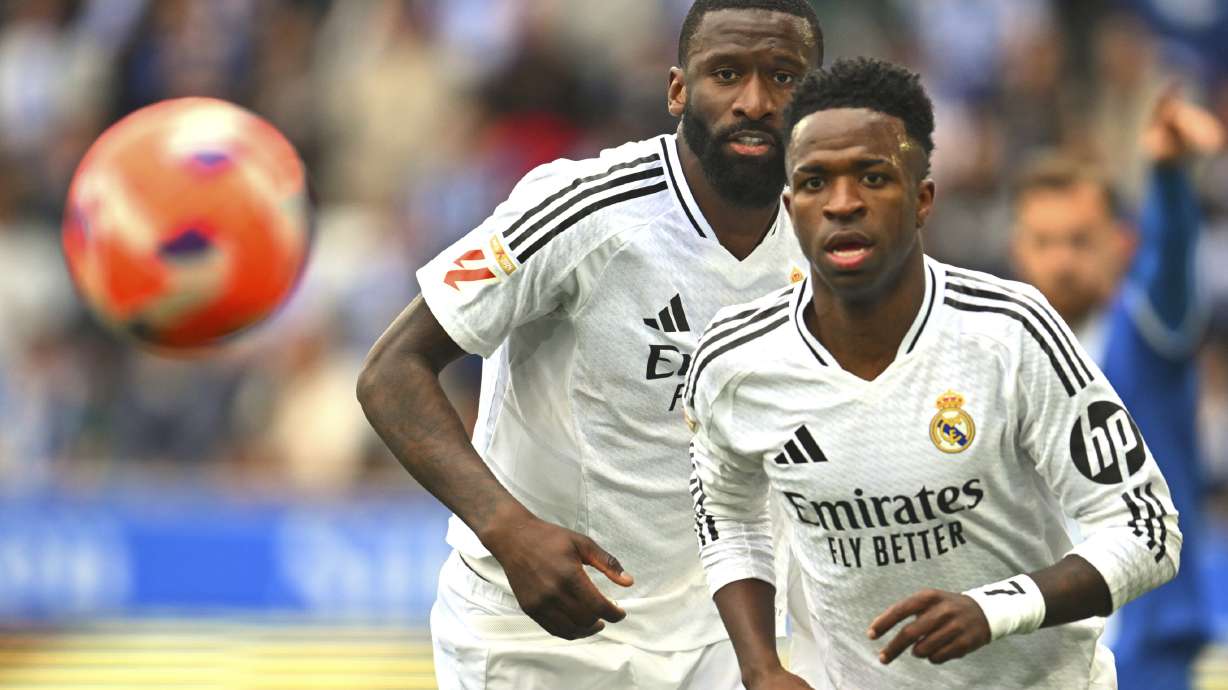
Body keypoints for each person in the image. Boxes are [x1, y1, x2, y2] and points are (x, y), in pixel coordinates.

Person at [356, 1, 823, 687]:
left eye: (784, 77)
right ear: (677, 90)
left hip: (721, 634)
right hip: (536, 624)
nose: (755, 101)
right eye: (727, 73)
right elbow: (391, 370)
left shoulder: (833, 234)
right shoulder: (583, 208)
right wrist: (506, 528)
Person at [685, 57, 1182, 690]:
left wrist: (996, 608)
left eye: (871, 177)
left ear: (922, 200)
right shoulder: (735, 359)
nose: (842, 204)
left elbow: (1146, 530)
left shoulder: (1011, 331)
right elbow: (727, 518)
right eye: (814, 183)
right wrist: (760, 667)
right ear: (790, 206)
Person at [1010, 93, 1224, 690]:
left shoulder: (1146, 337)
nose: (1062, 261)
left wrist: (1169, 178)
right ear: (1017, 248)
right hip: (1042, 652)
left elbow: (1174, 266)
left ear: (1120, 243)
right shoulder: (997, 354)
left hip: (1146, 651)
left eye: (1080, 240)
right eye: (1045, 242)